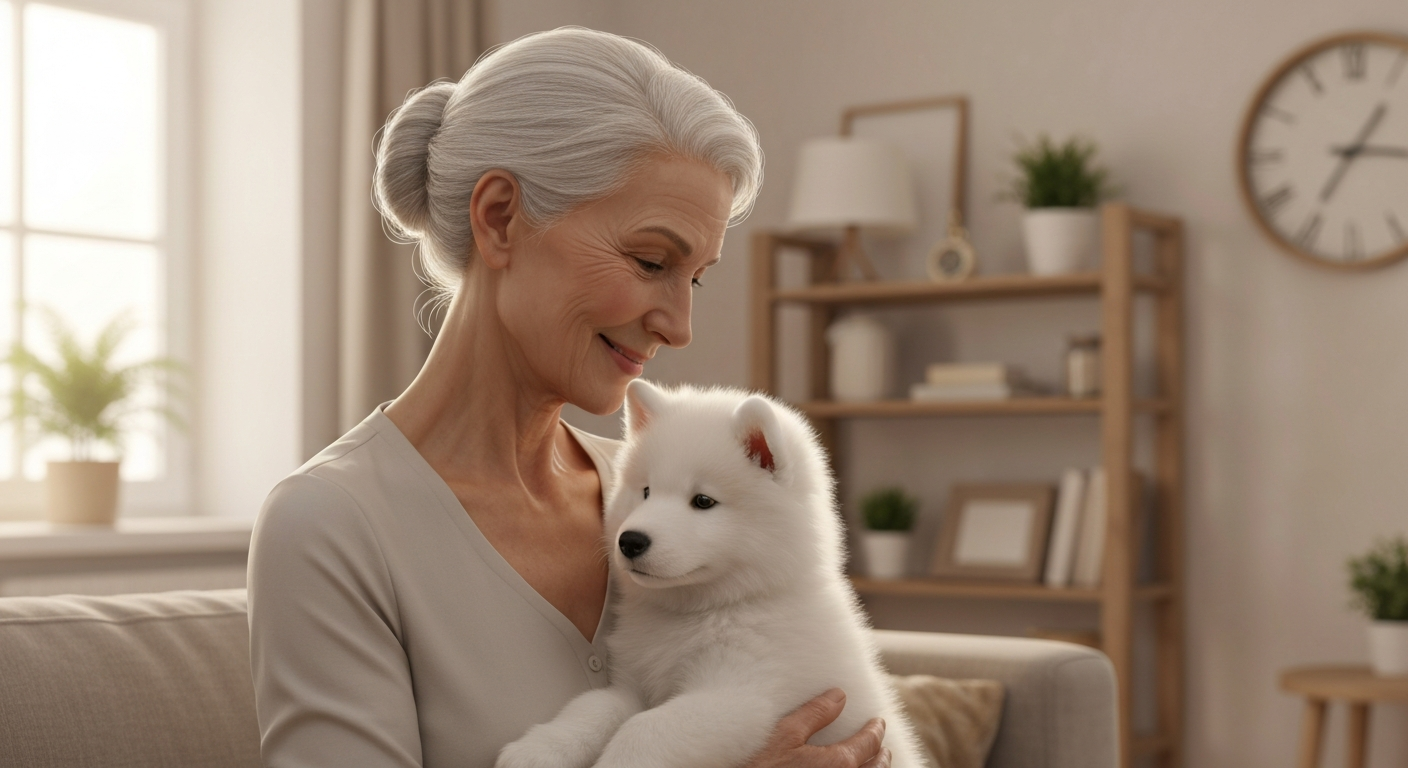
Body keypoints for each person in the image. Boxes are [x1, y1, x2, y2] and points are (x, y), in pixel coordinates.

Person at [247, 27, 891, 768]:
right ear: (499, 218)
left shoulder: (651, 482)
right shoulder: (332, 526)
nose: (680, 327)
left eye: (696, 277)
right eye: (652, 261)